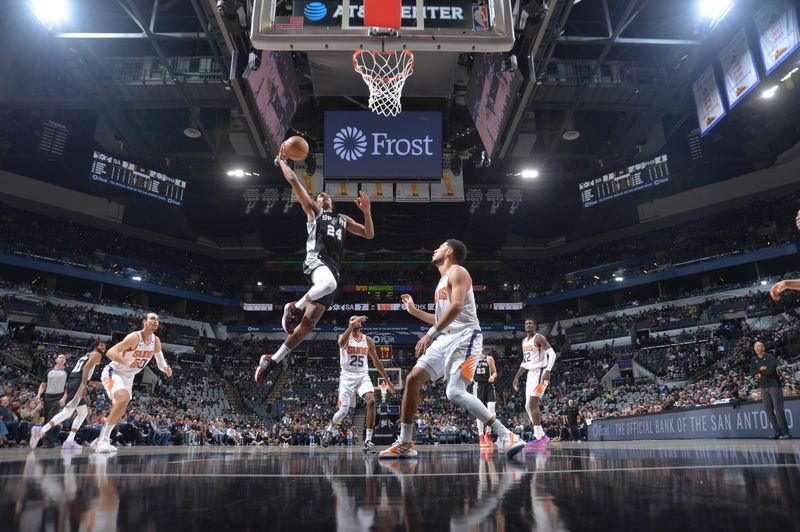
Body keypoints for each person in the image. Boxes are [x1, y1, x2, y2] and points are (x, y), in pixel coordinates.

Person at [379, 239, 524, 459]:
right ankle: (405, 443)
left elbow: (456, 307)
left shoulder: (458, 271)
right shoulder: (441, 282)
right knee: (412, 379)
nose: (434, 249)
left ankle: (505, 434)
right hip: (446, 338)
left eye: (439, 246)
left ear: (449, 252)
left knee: (454, 391)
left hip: (466, 337)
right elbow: (440, 318)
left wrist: (429, 334)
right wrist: (414, 311)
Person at [254, 151, 374, 384]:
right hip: (316, 262)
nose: (324, 196)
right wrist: (281, 162)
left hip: (332, 268)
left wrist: (367, 212)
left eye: (326, 196)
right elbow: (294, 181)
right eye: (320, 195)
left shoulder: (343, 219)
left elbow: (369, 234)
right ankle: (294, 307)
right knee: (328, 284)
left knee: (306, 326)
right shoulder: (314, 212)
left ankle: (272, 360)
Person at [95, 313, 173, 453]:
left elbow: (161, 363)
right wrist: (127, 362)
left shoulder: (156, 341)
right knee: (123, 399)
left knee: (121, 408)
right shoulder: (134, 337)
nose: (156, 321)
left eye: (157, 320)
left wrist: (166, 368)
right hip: (114, 372)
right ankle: (103, 440)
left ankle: (100, 438)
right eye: (152, 319)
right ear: (144, 321)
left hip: (128, 377)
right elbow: (111, 352)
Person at [322, 315, 396, 454]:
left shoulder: (367, 340)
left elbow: (377, 362)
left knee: (372, 401)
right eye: (352, 319)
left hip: (362, 376)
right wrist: (351, 325)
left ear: (361, 323)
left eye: (357, 320)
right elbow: (340, 343)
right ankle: (329, 429)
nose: (355, 321)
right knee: (343, 412)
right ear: (349, 323)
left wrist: (388, 381)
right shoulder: (344, 337)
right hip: (347, 377)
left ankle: (368, 441)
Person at [30, 341, 107, 449]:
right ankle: (41, 431)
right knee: (68, 412)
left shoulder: (86, 355)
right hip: (79, 384)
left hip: (74, 381)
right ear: (95, 346)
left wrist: (90, 382)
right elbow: (85, 369)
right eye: (101, 345)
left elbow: (78, 372)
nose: (103, 348)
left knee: (83, 412)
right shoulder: (96, 354)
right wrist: (84, 386)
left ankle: (69, 440)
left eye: (104, 346)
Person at [512, 318, 557, 448]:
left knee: (533, 403)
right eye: (526, 323)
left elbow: (552, 354)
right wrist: (516, 377)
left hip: (542, 373)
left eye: (531, 323)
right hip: (531, 374)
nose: (528, 325)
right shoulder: (524, 341)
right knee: (527, 406)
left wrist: (548, 370)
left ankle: (538, 438)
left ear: (535, 325)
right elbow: (525, 362)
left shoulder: (539, 338)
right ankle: (542, 436)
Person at [751, 341, 791, 439]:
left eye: (758, 346)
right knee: (768, 410)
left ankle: (785, 432)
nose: (756, 348)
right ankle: (777, 432)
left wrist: (760, 370)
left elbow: (771, 370)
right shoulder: (754, 359)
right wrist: (761, 369)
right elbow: (752, 372)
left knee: (778, 409)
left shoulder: (769, 356)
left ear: (763, 347)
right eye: (755, 346)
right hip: (763, 387)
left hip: (774, 385)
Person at [34, 354, 69, 448]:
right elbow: (43, 385)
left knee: (50, 418)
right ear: (56, 360)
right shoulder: (48, 371)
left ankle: (45, 440)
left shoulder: (67, 371)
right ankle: (50, 442)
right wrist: (38, 394)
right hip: (47, 396)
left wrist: (64, 398)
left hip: (58, 397)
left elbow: (68, 387)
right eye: (60, 357)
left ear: (65, 361)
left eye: (64, 358)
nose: (62, 358)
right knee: (46, 419)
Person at [471, 349, 498, 449]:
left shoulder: (489, 358)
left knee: (491, 410)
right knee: (479, 411)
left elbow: (495, 372)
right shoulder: (472, 360)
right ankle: (481, 435)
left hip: (489, 385)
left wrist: (492, 377)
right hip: (478, 386)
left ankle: (488, 434)